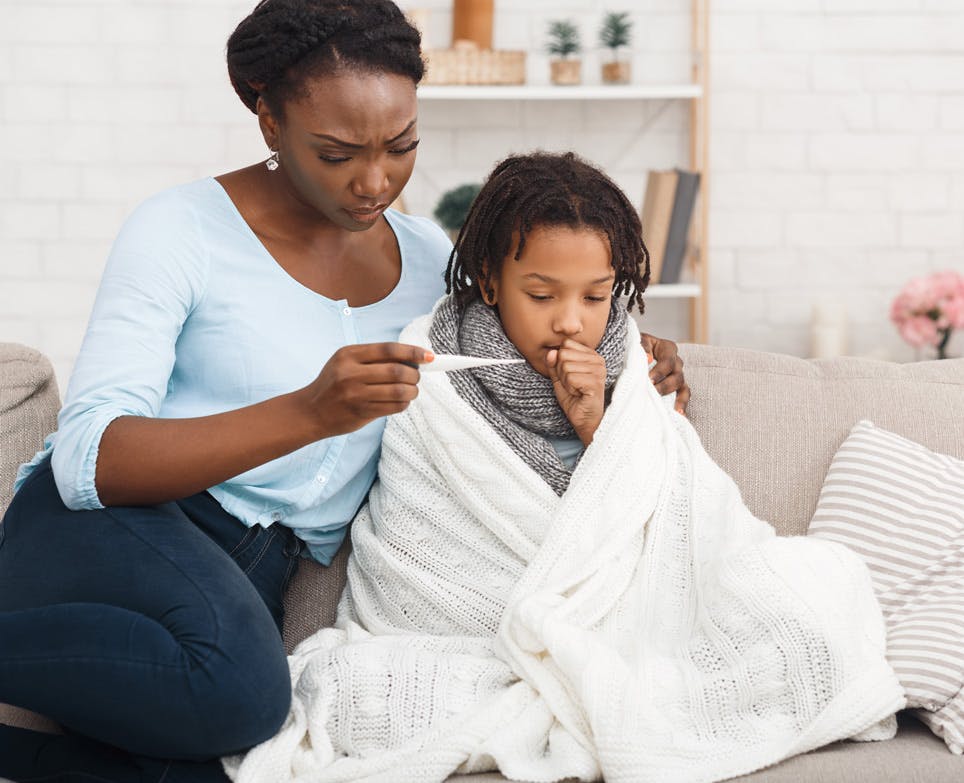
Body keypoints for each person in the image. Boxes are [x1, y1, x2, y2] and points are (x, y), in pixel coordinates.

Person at [0, 2, 689, 781]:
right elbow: (88, 461)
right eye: (336, 153)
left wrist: (640, 361)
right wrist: (309, 411)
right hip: (112, 531)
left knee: (248, 762)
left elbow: (533, 337)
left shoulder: (434, 259)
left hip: (253, 569)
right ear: (269, 122)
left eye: (402, 147)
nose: (375, 181)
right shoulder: (180, 230)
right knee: (245, 698)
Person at [225, 151, 902, 783]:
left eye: (594, 295)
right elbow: (423, 538)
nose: (572, 323)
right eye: (543, 294)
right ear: (491, 279)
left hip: (627, 622)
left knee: (816, 595)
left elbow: (675, 520)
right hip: (471, 636)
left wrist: (598, 423)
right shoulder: (432, 376)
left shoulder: (636, 371)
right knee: (369, 688)